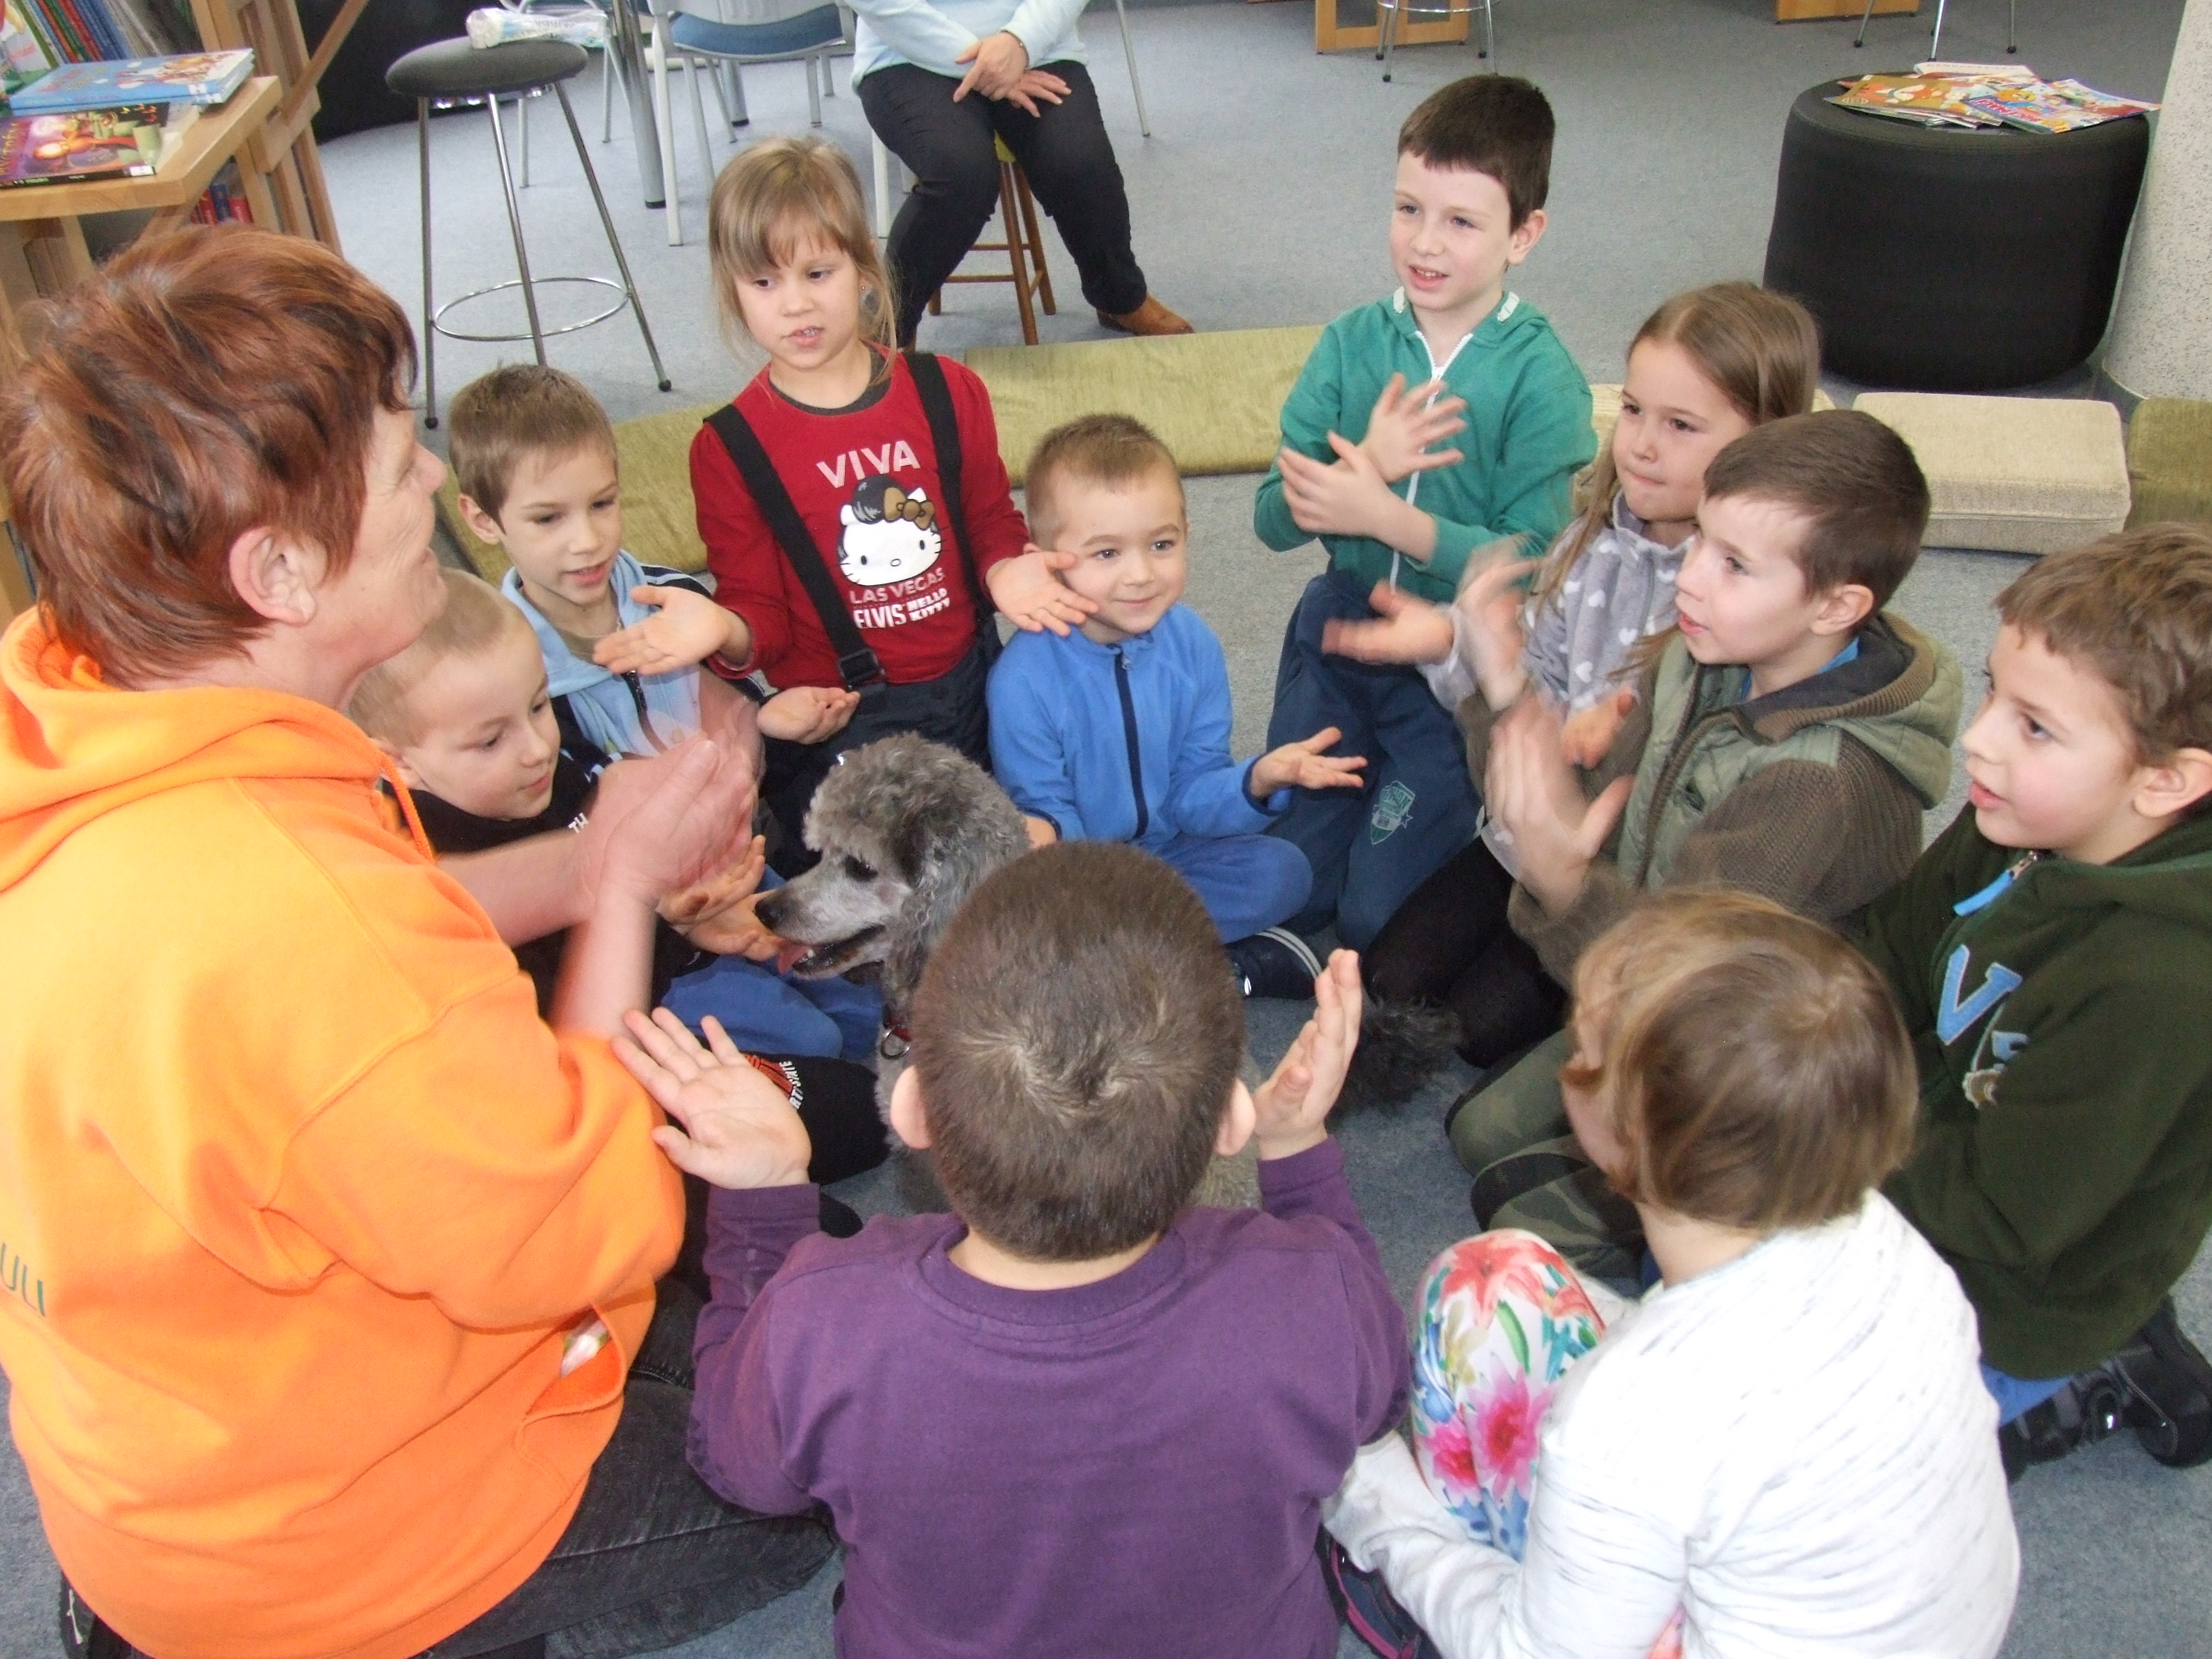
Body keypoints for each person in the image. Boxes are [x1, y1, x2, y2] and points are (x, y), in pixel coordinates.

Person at [0, 227, 827, 1659]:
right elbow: (581, 1221)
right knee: (836, 1439)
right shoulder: (293, 921)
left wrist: (589, 860)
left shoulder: (83, 707)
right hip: (334, 1530)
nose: (440, 478)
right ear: (279, 568)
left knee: (755, 1301)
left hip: (162, 1452)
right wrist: (620, 887)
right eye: (400, 461)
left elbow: (364, 978)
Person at [620, 842, 1410, 1659]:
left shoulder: (822, 1316)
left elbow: (739, 1463)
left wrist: (764, 1210)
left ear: (911, 1111)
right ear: (1229, 1125)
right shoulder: (1306, 1288)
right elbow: (1379, 1394)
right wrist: (1298, 1151)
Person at [1321, 890, 2019, 1659]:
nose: (1564, 1065)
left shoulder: (1623, 1416)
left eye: (1579, 1051)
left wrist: (1371, 1499)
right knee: (1492, 1280)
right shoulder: (1891, 1240)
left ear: (1621, 1134)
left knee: (1469, 1314)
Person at [1438, 410, 1962, 1283]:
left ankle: (1726, 1232)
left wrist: (1563, 882)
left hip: (1750, 1056)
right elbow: (1590, 796)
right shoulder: (1698, 651)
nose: (1688, 578)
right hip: (1654, 953)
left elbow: (1683, 984)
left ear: (1837, 605)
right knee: (1477, 1134)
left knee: (1508, 1210)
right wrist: (1504, 693)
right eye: (1701, 543)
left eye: (1733, 564)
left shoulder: (1815, 788)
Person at [1336, 282, 1821, 1065]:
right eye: (1631, 410)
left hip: (1612, 877)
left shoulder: (1737, 605)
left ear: (1762, 444)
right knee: (1388, 977)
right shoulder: (1588, 542)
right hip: (1522, 837)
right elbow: (1529, 680)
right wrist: (1454, 643)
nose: (1641, 446)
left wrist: (1570, 737)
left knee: (1473, 1033)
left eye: (1680, 425)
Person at [1855, 526, 2212, 1476]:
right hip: (1926, 1143)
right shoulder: (2017, 817)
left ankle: (2092, 1369)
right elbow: (1888, 949)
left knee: (1809, 1473)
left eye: (2035, 726)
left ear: (2166, 780)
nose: (1978, 737)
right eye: (1995, 693)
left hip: (2019, 1285)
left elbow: (2004, 1213)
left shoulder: (2161, 984)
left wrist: (1811, 1129)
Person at [445, 367, 885, 1062]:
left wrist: (768, 718)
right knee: (811, 1043)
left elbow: (729, 708)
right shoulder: (508, 672)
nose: (587, 541)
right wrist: (663, 903)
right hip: (649, 925)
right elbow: (570, 831)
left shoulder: (670, 596)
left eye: (602, 503)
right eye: (548, 518)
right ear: (481, 520)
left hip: (740, 857)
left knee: (862, 1011)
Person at [1254, 74, 1595, 949]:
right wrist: (1364, 469)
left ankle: (1436, 822)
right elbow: (1269, 520)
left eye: (1461, 222)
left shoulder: (1543, 378)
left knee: (1373, 919)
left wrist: (1385, 515)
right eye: (1408, 209)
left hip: (1455, 663)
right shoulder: (1350, 343)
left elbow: (1534, 558)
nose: (1424, 243)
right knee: (1286, 885)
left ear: (1524, 235)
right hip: (1341, 629)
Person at [350, 570, 890, 1110]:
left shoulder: (547, 769)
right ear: (398, 760)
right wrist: (674, 926)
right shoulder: (429, 869)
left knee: (859, 1009)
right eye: (491, 741)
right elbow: (565, 1009)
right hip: (648, 995)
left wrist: (693, 890)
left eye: (538, 706)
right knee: (817, 1047)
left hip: (684, 922)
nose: (537, 749)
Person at [687, 134, 1084, 858]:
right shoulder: (730, 448)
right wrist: (722, 630)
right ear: (731, 292)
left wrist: (1006, 568)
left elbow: (987, 520)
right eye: (764, 282)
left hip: (972, 691)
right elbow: (759, 614)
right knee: (877, 897)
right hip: (846, 724)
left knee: (996, 870)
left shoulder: (948, 391)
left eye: (818, 272)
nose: (796, 304)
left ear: (864, 270)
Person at [988, 415, 1359, 998]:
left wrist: (1256, 781)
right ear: (1046, 562)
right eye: (1106, 553)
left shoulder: (1194, 646)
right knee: (1027, 918)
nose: (1140, 575)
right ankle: (1189, 965)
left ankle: (1127, 966)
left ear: (1188, 532)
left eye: (1162, 545)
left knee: (1284, 872)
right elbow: (1046, 816)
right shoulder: (1022, 680)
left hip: (1170, 857)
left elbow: (1193, 796)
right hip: (1080, 875)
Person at [847, 0, 1189, 346]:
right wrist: (986, 66)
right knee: (960, 175)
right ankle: (886, 325)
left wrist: (1019, 42)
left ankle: (1120, 299)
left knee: (1081, 163)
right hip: (908, 53)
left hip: (1034, 49)